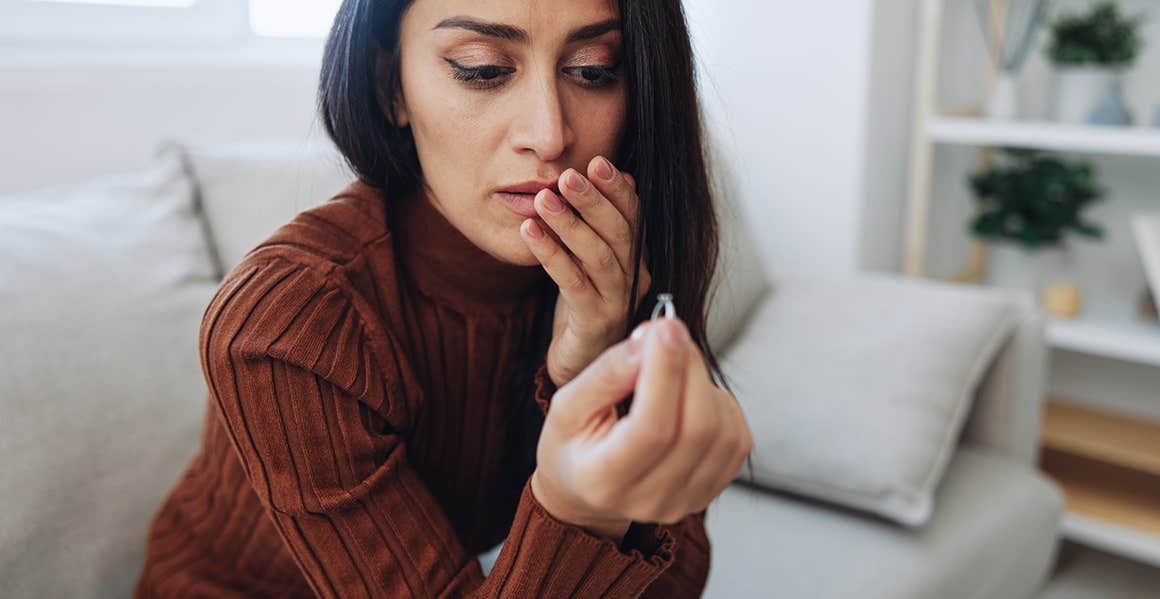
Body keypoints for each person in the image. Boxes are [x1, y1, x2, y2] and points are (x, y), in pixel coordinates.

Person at [134, 0, 752, 596]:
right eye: (482, 68)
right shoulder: (286, 323)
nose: (549, 133)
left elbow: (673, 583)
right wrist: (580, 509)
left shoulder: (619, 254)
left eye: (593, 69)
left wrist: (593, 365)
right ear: (390, 87)